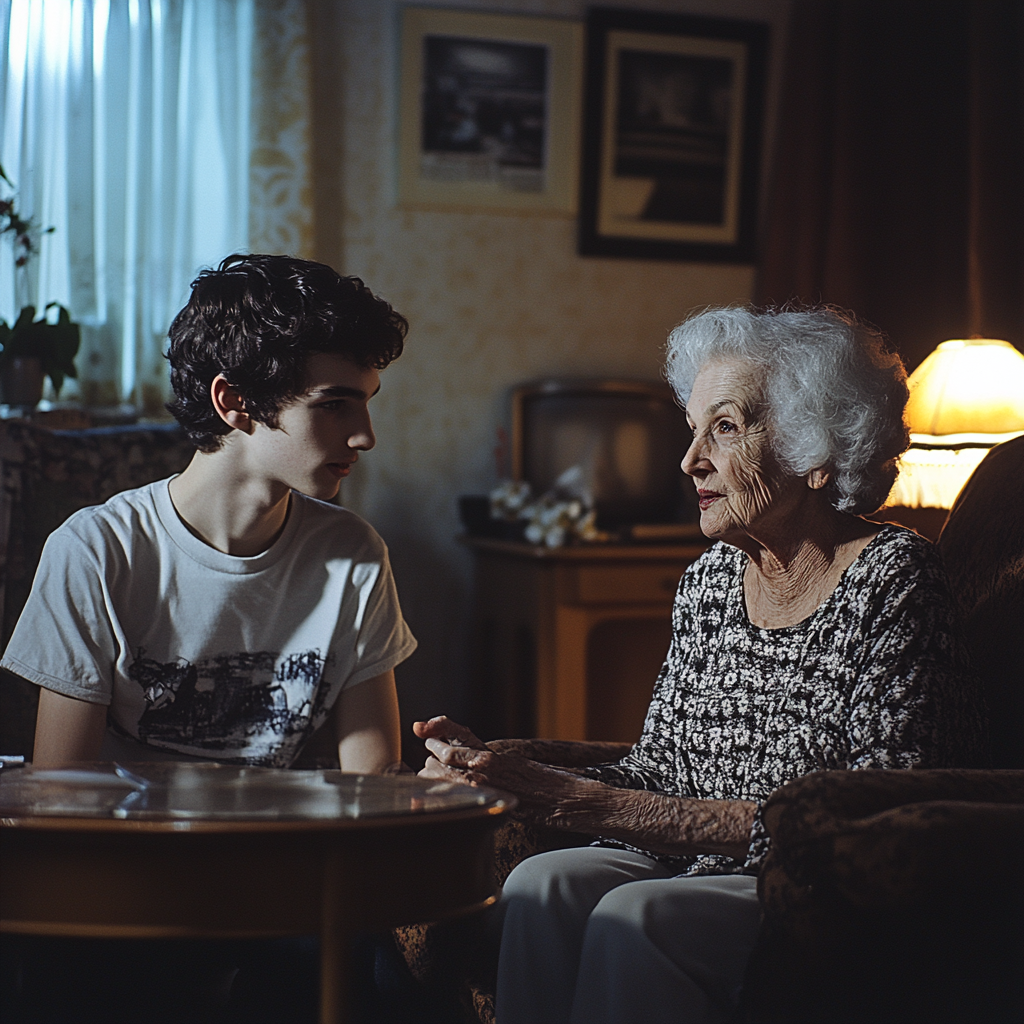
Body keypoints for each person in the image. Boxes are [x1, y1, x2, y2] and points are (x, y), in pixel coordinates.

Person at [416, 306, 986, 1024]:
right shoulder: (710, 582)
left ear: (816, 449)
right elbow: (659, 769)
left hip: (812, 886)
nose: (690, 461)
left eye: (725, 427)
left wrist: (583, 801)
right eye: (693, 430)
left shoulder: (895, 577)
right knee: (544, 883)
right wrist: (503, 775)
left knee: (642, 915)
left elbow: (874, 813)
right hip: (696, 866)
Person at [2, 253, 417, 774]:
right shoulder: (95, 553)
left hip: (289, 851)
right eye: (334, 405)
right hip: (129, 851)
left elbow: (372, 789)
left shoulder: (354, 555)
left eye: (366, 403)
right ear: (234, 401)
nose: (365, 436)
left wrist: (439, 789)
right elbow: (63, 798)